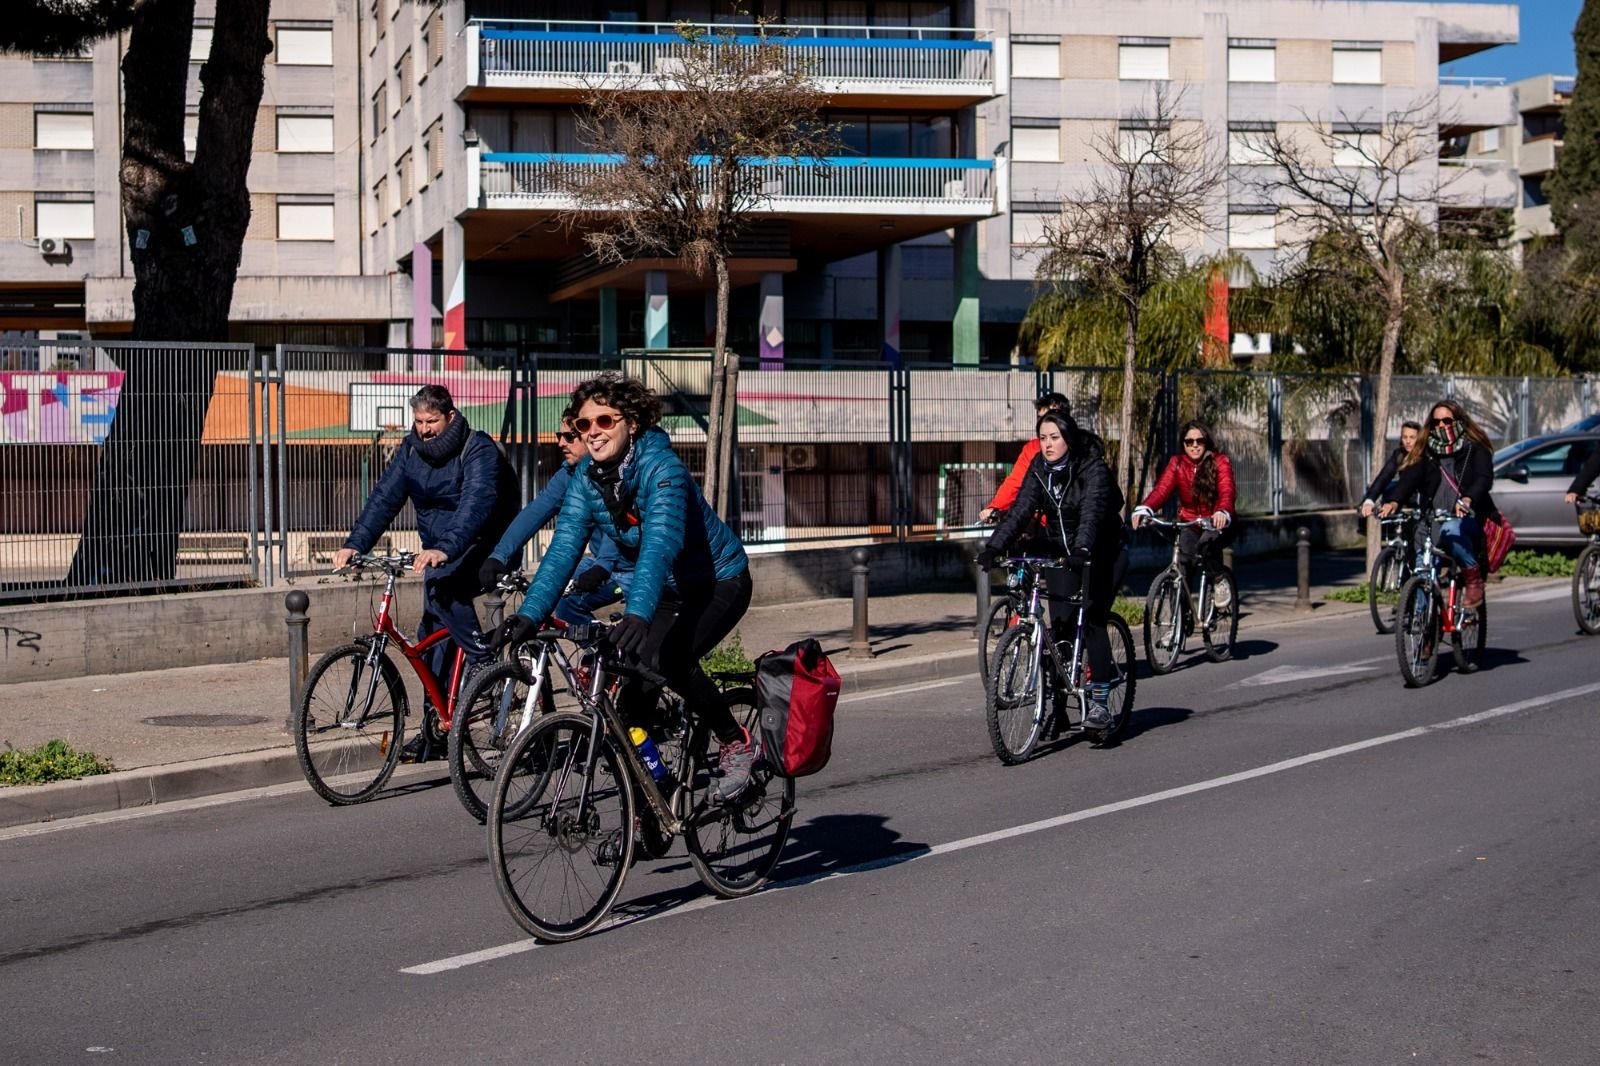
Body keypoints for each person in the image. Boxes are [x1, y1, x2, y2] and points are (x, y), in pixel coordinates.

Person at [490, 373, 757, 801]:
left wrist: (637, 612)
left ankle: (736, 742)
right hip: (665, 590)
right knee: (628, 702)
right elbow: (563, 551)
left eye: (604, 421)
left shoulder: (662, 468)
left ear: (631, 422)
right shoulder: (587, 479)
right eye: (583, 425)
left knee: (668, 658)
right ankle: (655, 797)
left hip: (717, 581)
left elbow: (659, 545)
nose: (592, 433)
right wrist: (528, 615)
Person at [333, 385, 519, 758]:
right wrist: (356, 544)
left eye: (431, 421)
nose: (423, 429)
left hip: (487, 545)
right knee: (430, 635)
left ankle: (484, 663)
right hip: (439, 551)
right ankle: (434, 732)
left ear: (450, 416)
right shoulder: (410, 451)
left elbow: (476, 506)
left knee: (445, 592)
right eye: (418, 421)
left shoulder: (477, 449)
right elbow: (385, 498)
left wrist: (445, 548)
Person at [975, 409, 1128, 730]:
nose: (1047, 444)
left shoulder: (1091, 467)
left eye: (1054, 438)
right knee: (1058, 627)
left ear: (1068, 439)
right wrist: (994, 547)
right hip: (1062, 552)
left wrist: (1083, 549)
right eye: (1043, 438)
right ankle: (1057, 706)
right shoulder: (1039, 469)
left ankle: (1100, 704)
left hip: (1101, 551)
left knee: (1092, 621)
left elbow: (1091, 513)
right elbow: (1020, 511)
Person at [478, 407, 634, 626]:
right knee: (544, 597)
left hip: (631, 568)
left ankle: (609, 654)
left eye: (570, 437)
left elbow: (617, 523)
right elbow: (536, 512)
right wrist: (499, 556)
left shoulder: (619, 472)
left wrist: (604, 565)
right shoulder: (568, 475)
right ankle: (597, 654)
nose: (561, 443)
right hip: (600, 563)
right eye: (559, 436)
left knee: (572, 605)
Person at [1380, 399, 1498, 609]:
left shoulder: (1474, 448)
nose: (1441, 426)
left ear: (1458, 420)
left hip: (1465, 519)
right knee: (1422, 571)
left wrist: (1468, 499)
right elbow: (1410, 478)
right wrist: (1394, 500)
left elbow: (1483, 478)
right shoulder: (1428, 451)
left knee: (1451, 530)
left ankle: (1472, 578)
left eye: (1446, 421)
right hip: (1433, 519)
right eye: (1436, 423)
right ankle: (1422, 630)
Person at [1131, 420, 1237, 606]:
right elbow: (1162, 489)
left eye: (1199, 441)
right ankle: (1180, 622)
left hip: (1217, 522)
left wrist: (1222, 511)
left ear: (1206, 442)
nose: (1194, 445)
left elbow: (1227, 490)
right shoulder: (1177, 463)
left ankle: (1219, 580)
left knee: (1206, 545)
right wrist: (1145, 508)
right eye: (1189, 442)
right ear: (1183, 444)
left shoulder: (1220, 462)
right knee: (1183, 566)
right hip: (1190, 522)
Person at [977, 392, 1073, 524]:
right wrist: (995, 507)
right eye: (1040, 418)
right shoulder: (1033, 448)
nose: (1043, 423)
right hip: (1043, 525)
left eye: (1049, 418)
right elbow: (1015, 482)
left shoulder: (1084, 449)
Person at [1360, 420, 1424, 517]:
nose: (1408, 441)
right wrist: (1370, 500)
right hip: (1402, 498)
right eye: (1404, 437)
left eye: (1412, 437)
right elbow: (1384, 476)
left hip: (1423, 500)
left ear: (1419, 439)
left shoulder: (1425, 456)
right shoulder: (1399, 455)